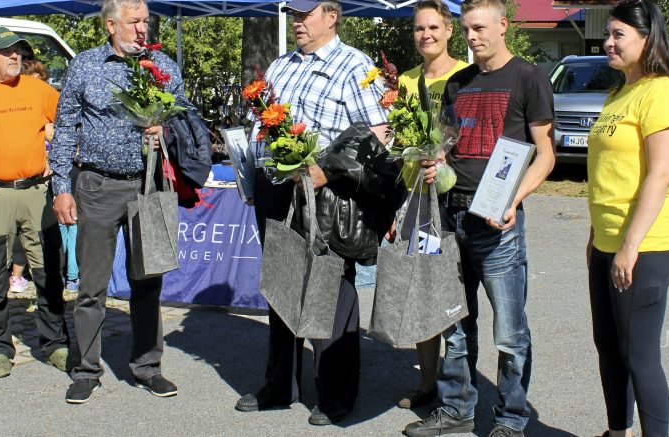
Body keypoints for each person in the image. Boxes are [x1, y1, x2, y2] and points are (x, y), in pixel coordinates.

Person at [234, 0, 394, 427]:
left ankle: (336, 393)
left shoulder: (355, 65)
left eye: (305, 14)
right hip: (276, 189)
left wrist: (326, 168)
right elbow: (261, 124)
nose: (297, 22)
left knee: (330, 289)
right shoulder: (281, 66)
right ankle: (279, 385)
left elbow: (377, 136)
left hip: (325, 191)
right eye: (293, 14)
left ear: (331, 15)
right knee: (281, 284)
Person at [405, 1, 556, 436]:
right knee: (453, 322)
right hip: (451, 215)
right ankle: (456, 410)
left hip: (497, 220)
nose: (472, 37)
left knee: (509, 334)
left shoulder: (529, 77)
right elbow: (449, 145)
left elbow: (544, 156)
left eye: (480, 28)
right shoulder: (458, 83)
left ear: (503, 26)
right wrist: (435, 163)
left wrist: (514, 200)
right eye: (467, 29)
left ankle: (510, 418)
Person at [50, 0, 188, 404]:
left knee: (148, 281)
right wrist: (61, 186)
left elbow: (186, 118)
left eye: (146, 20)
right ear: (111, 25)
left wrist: (167, 125)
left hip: (149, 186)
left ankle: (148, 367)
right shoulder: (86, 66)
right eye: (134, 21)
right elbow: (63, 129)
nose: (143, 28)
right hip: (97, 185)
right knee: (91, 286)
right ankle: (86, 369)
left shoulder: (164, 67)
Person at [587, 1, 669, 436]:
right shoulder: (620, 93)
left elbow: (660, 175)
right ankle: (618, 431)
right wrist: (598, 236)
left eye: (619, 35)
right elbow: (610, 173)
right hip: (608, 242)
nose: (608, 42)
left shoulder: (662, 93)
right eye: (608, 34)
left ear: (646, 40)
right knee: (610, 349)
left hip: (646, 245)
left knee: (640, 355)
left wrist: (629, 245)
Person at [0, 26, 69, 379]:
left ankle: (55, 344)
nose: (14, 57)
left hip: (37, 193)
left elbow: (69, 123)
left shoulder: (38, 89)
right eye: (6, 51)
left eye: (18, 51)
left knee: (49, 273)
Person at [395, 0, 469, 411]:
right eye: (420, 29)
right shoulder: (405, 81)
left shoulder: (467, 76)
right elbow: (393, 141)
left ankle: (458, 386)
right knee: (422, 289)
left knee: (454, 294)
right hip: (415, 201)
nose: (426, 35)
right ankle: (427, 382)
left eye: (434, 28)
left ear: (449, 30)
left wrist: (444, 161)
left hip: (453, 198)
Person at [22, 59, 79, 291]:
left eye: (41, 83)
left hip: (57, 174)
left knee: (69, 224)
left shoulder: (51, 108)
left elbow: (61, 135)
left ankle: (71, 273)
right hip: (32, 181)